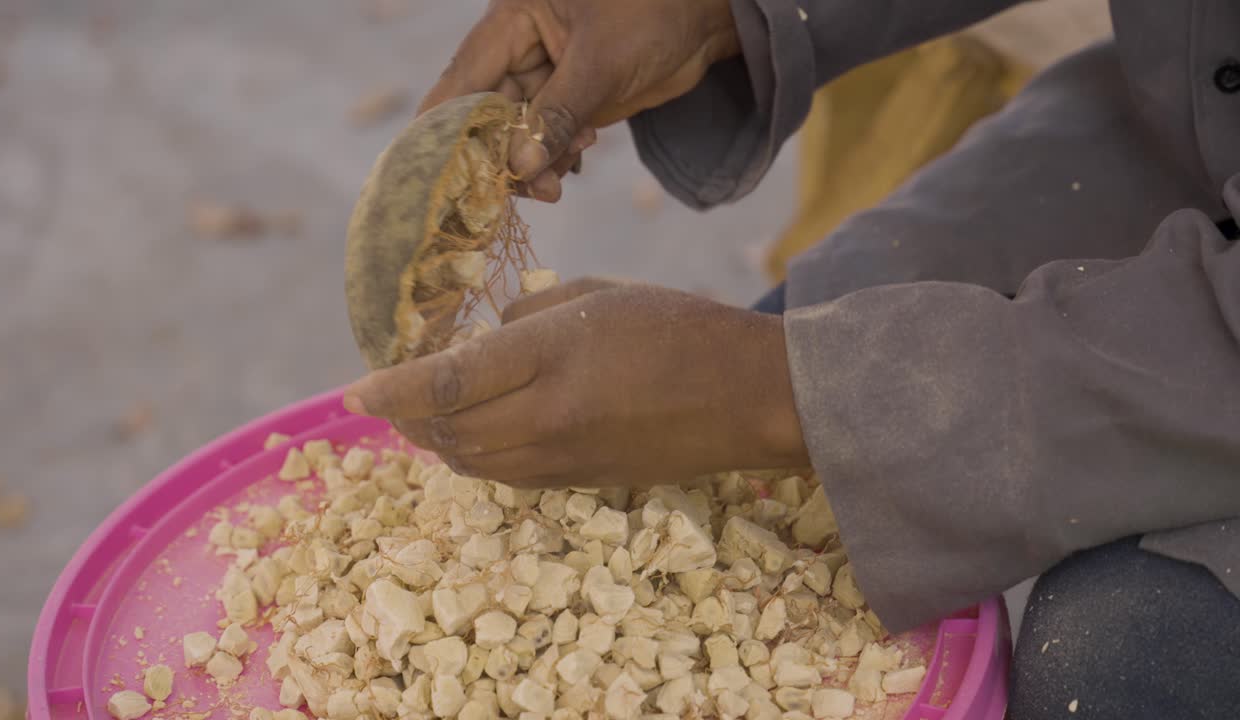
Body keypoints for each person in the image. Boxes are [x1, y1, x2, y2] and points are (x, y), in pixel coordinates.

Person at [343, 1, 1240, 716]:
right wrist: (719, 9)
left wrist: (774, 391)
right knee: (817, 314)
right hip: (1195, 104)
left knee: (1125, 659)